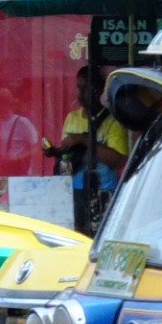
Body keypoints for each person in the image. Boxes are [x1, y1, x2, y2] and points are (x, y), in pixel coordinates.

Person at [45, 65, 130, 232]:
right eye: (79, 87)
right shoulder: (72, 117)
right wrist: (54, 152)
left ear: (99, 90)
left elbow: (117, 160)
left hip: (103, 192)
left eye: (86, 87)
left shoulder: (112, 120)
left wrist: (84, 140)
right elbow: (67, 156)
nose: (80, 93)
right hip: (73, 192)